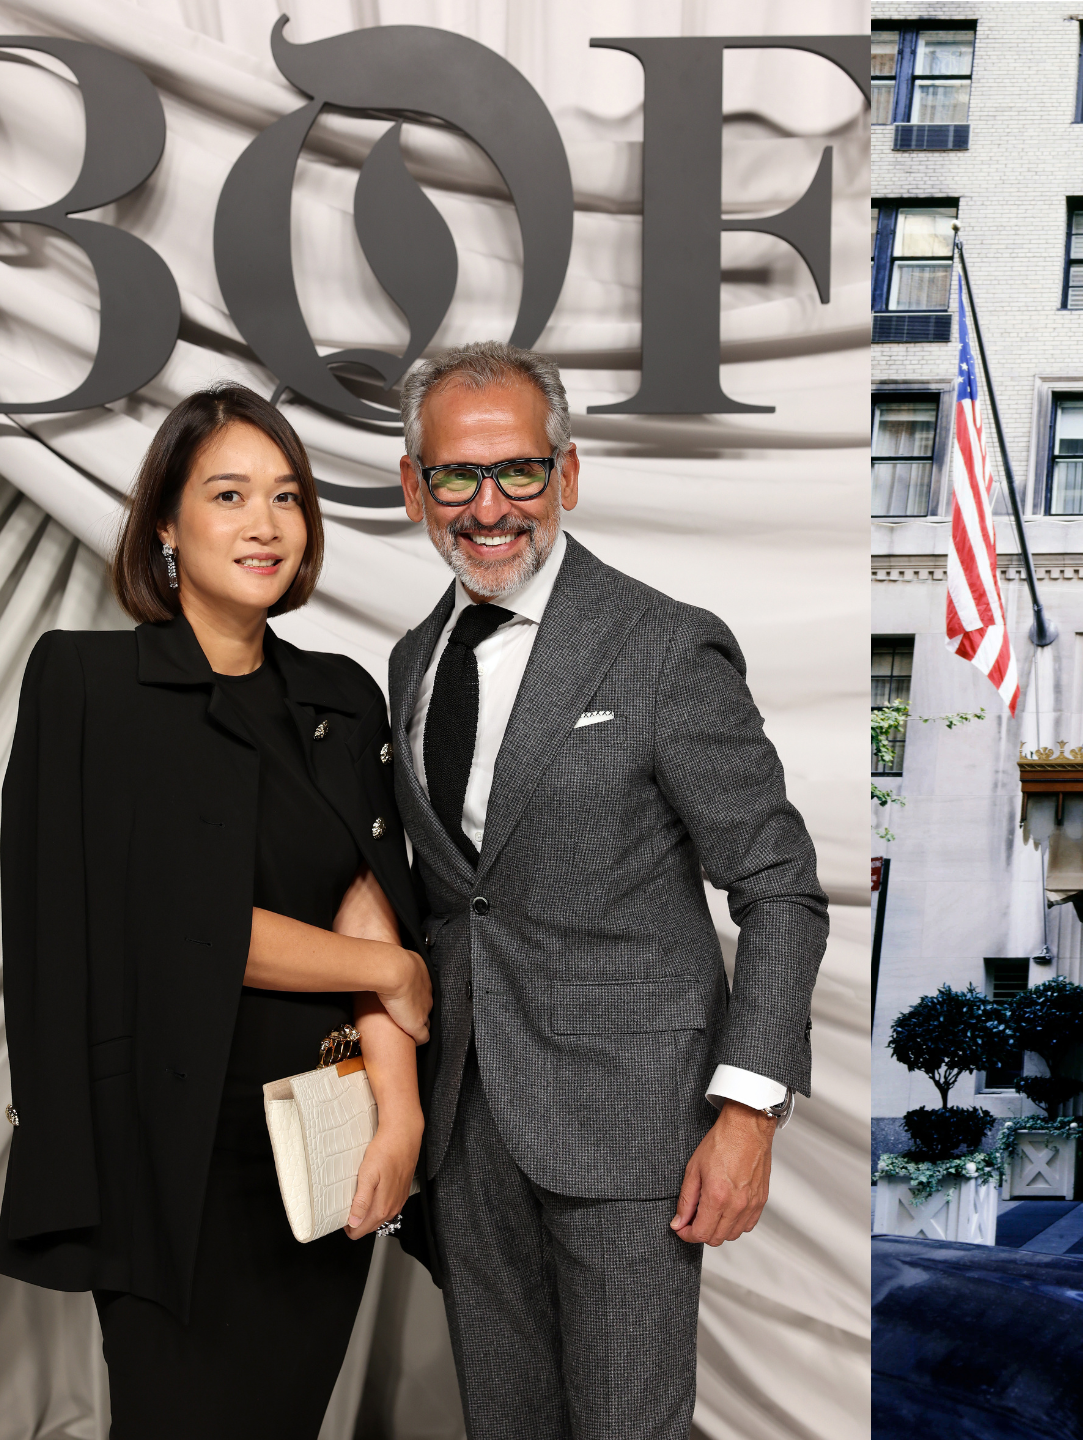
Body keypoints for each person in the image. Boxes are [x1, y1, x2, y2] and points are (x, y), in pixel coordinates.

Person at [388, 342, 828, 1440]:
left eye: (519, 472)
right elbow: (460, 903)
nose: (490, 506)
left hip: (634, 1127)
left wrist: (748, 1110)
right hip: (465, 1125)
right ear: (415, 488)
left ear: (568, 476)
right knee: (506, 1423)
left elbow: (781, 887)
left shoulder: (661, 645)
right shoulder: (411, 663)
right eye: (456, 476)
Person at [0, 385, 433, 1439]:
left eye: (287, 498)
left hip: (324, 1146)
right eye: (229, 494)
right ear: (165, 524)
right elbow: (174, 929)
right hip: (159, 1157)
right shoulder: (89, 686)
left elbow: (372, 900)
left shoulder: (340, 697)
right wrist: (390, 973)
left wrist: (401, 1112)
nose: (264, 524)